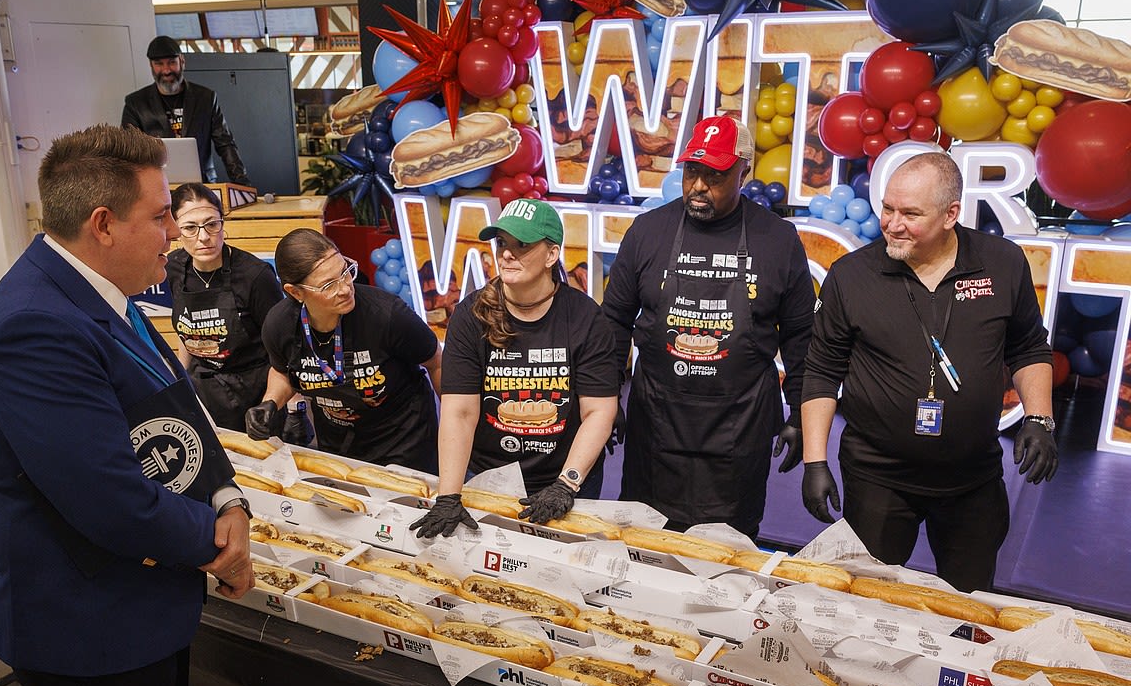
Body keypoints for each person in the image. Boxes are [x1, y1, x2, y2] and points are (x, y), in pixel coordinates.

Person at [0, 124, 252, 686]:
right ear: (103, 225)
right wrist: (218, 543)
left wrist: (227, 498)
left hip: (141, 605)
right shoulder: (34, 325)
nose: (174, 233)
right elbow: (110, 501)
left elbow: (178, 404)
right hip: (92, 627)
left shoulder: (102, 290)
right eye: (160, 216)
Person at [800, 151, 1057, 592]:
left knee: (970, 603)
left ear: (950, 215)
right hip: (877, 476)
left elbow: (1028, 346)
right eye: (887, 208)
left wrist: (1039, 417)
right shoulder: (851, 275)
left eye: (911, 214)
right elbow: (822, 370)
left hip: (973, 477)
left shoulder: (1002, 262)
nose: (892, 224)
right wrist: (814, 461)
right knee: (868, 598)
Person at [601, 115, 815, 538]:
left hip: (739, 428)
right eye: (692, 172)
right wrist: (606, 396)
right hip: (656, 422)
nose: (698, 185)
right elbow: (614, 320)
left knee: (726, 552)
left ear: (743, 173)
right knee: (644, 542)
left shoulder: (777, 239)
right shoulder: (648, 232)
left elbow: (801, 337)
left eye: (715, 175)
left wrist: (802, 413)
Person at [412, 198, 619, 538]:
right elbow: (459, 411)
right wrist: (449, 496)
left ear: (551, 255)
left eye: (522, 244)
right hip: (489, 476)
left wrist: (566, 484)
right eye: (502, 243)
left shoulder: (585, 318)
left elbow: (599, 411)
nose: (507, 254)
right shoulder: (471, 315)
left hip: (566, 474)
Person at [249, 228, 441, 470]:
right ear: (295, 292)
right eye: (328, 285)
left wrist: (456, 427)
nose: (345, 288)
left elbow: (436, 361)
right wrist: (270, 402)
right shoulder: (279, 325)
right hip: (337, 446)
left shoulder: (388, 315)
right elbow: (283, 371)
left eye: (345, 272)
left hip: (404, 442)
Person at [165, 183, 283, 431]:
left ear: (222, 222)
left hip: (254, 392)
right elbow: (185, 334)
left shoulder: (255, 275)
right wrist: (181, 379)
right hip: (203, 391)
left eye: (212, 224)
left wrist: (283, 405)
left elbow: (283, 347)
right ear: (175, 229)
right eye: (190, 228)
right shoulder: (173, 268)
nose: (203, 237)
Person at [121, 35, 251, 186]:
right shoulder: (136, 103)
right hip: (159, 187)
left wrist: (243, 185)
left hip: (203, 185)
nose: (166, 70)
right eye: (159, 64)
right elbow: (127, 153)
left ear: (182, 61)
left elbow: (225, 144)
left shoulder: (205, 98)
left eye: (172, 62)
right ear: (151, 66)